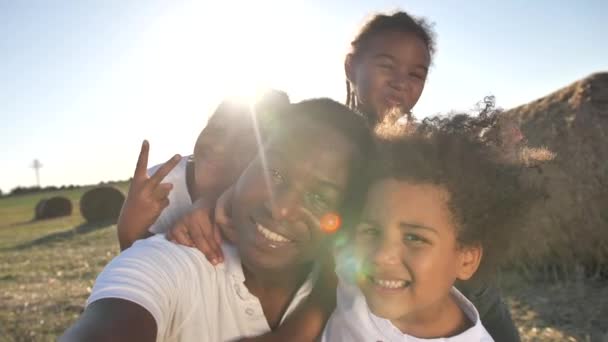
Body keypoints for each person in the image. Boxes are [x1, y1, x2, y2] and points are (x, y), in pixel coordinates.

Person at [173, 10, 521, 342]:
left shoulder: (422, 155)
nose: (401, 82)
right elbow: (271, 180)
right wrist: (216, 200)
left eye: (416, 74)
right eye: (387, 65)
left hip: (464, 291)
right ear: (351, 65)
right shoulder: (323, 137)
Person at [60, 98, 373, 342]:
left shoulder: (366, 298)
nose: (282, 209)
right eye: (273, 172)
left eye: (320, 198)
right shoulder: (170, 263)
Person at [323, 112, 547, 341]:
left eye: (414, 238)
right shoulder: (351, 280)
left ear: (467, 259)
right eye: (371, 231)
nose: (381, 255)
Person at [116, 90, 290, 251]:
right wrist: (128, 231)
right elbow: (136, 262)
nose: (221, 147)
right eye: (217, 128)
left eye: (244, 140)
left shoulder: (267, 195)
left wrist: (213, 203)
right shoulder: (159, 186)